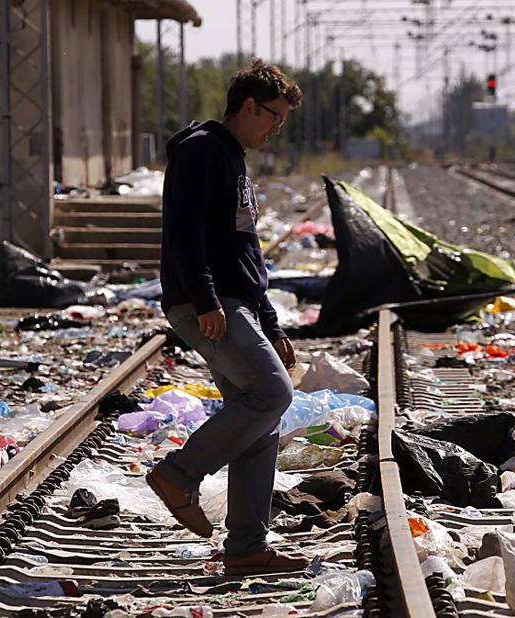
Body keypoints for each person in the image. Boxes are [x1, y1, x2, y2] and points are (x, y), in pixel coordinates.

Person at [147, 60, 306, 576]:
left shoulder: (233, 157)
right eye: (274, 117)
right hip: (208, 304)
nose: (276, 128)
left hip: (235, 303)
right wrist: (207, 299)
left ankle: (246, 549)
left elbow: (245, 250)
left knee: (259, 420)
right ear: (247, 107)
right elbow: (184, 234)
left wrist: (272, 322)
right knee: (273, 394)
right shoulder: (201, 151)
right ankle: (178, 474)